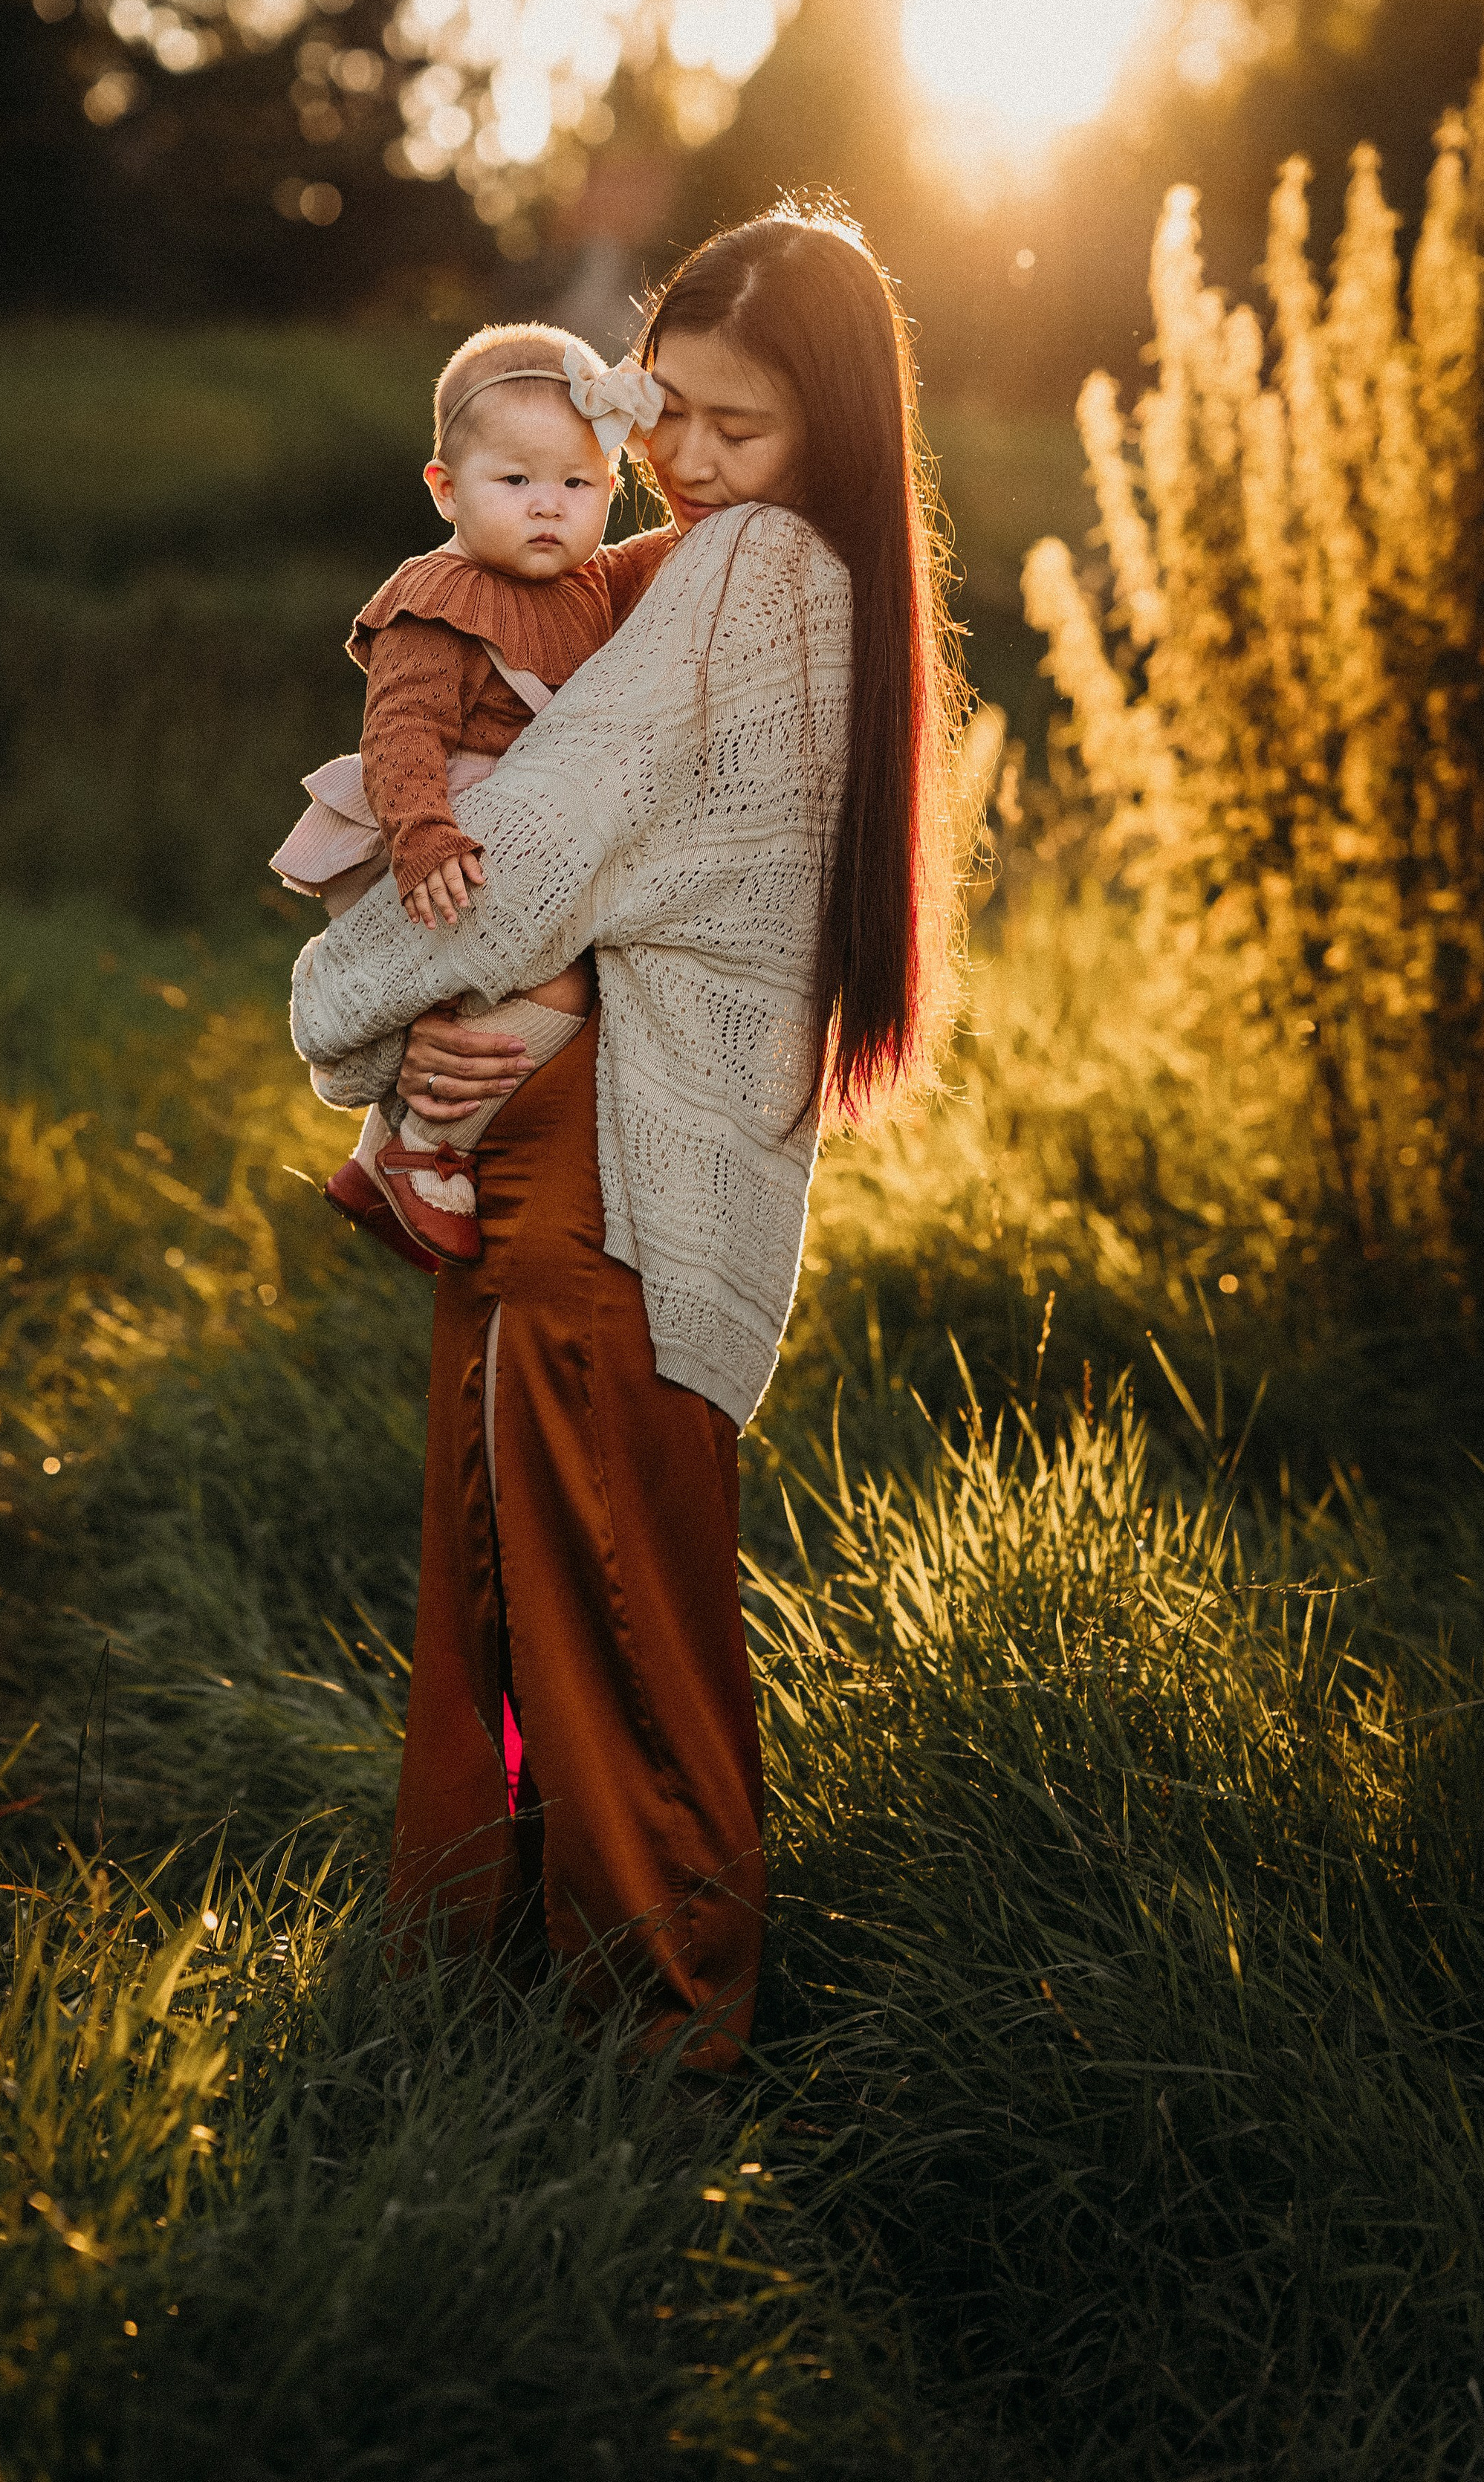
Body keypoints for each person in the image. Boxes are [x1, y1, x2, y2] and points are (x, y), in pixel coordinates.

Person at [291, 204, 966, 2071]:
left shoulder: (746, 572)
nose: (683, 464)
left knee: (592, 1614)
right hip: (619, 1171)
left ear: (827, 437)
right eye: (672, 411)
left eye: (744, 433)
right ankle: (529, 1994)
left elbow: (519, 868)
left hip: (599, 1189)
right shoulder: (805, 579)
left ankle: (662, 2040)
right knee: (556, 1586)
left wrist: (328, 1015)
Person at [269, 321, 672, 1267]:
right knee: (557, 989)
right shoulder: (438, 594)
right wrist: (422, 837)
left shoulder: (588, 582)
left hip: (525, 839)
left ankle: (375, 1161)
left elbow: (663, 557)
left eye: (578, 486)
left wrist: (727, 522)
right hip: (446, 838)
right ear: (446, 489)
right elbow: (399, 731)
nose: (548, 508)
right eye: (516, 482)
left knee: (519, 986)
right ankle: (428, 1147)